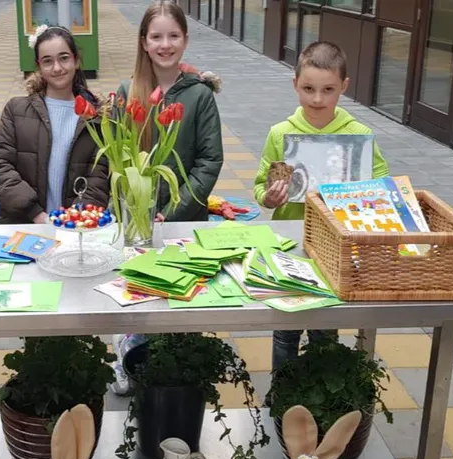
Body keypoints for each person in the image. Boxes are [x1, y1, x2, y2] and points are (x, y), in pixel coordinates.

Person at [109, 0, 224, 396]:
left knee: (178, 296)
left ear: (185, 40)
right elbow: (115, 159)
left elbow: (209, 161)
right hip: (136, 221)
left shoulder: (200, 96)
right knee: (137, 293)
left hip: (183, 219)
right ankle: (127, 353)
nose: (165, 44)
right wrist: (129, 210)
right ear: (143, 41)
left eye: (173, 35)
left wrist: (172, 210)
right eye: (156, 36)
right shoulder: (128, 92)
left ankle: (175, 370)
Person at [252, 41, 389, 371]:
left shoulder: (358, 135)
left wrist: (364, 197)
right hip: (291, 244)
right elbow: (263, 185)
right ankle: (283, 393)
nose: (317, 99)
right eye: (308, 88)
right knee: (285, 329)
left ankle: (319, 391)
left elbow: (383, 187)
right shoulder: (281, 134)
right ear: (295, 84)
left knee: (325, 328)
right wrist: (268, 196)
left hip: (336, 245)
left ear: (343, 87)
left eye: (328, 90)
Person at [0, 25, 109, 223]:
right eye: (47, 61)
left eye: (64, 58)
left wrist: (76, 219)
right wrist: (36, 214)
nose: (57, 68)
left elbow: (100, 175)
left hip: (77, 227)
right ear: (39, 67)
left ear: (76, 60)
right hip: (25, 226)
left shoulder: (95, 117)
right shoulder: (16, 110)